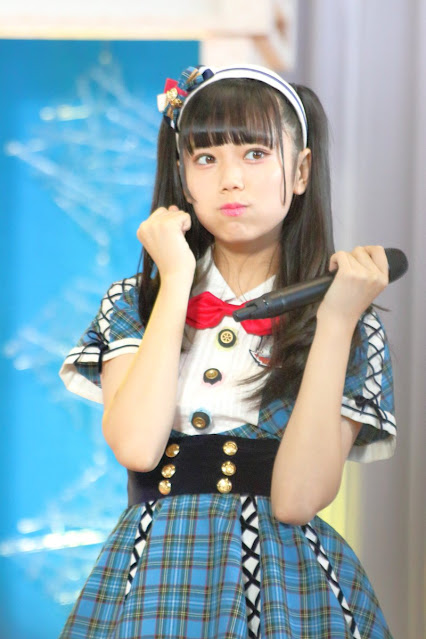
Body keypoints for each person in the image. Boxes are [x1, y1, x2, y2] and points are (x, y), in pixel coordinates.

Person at [58, 64, 396, 638]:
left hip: (288, 585)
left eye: (256, 154)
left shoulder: (349, 320)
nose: (230, 180)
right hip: (154, 578)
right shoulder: (135, 300)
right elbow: (137, 447)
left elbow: (297, 499)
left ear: (302, 171)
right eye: (206, 158)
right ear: (182, 177)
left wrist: (337, 320)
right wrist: (174, 279)